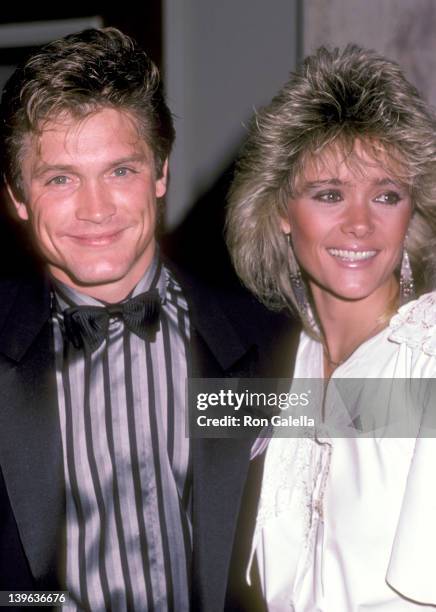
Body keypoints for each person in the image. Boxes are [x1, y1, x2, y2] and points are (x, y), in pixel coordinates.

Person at [0, 28, 294, 611]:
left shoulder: (264, 342)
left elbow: (388, 417)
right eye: (60, 178)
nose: (96, 209)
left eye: (120, 171)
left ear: (160, 174)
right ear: (18, 196)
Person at [226, 45, 436, 609]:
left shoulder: (427, 357)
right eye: (329, 194)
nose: (361, 223)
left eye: (386, 195)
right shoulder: (276, 362)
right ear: (280, 213)